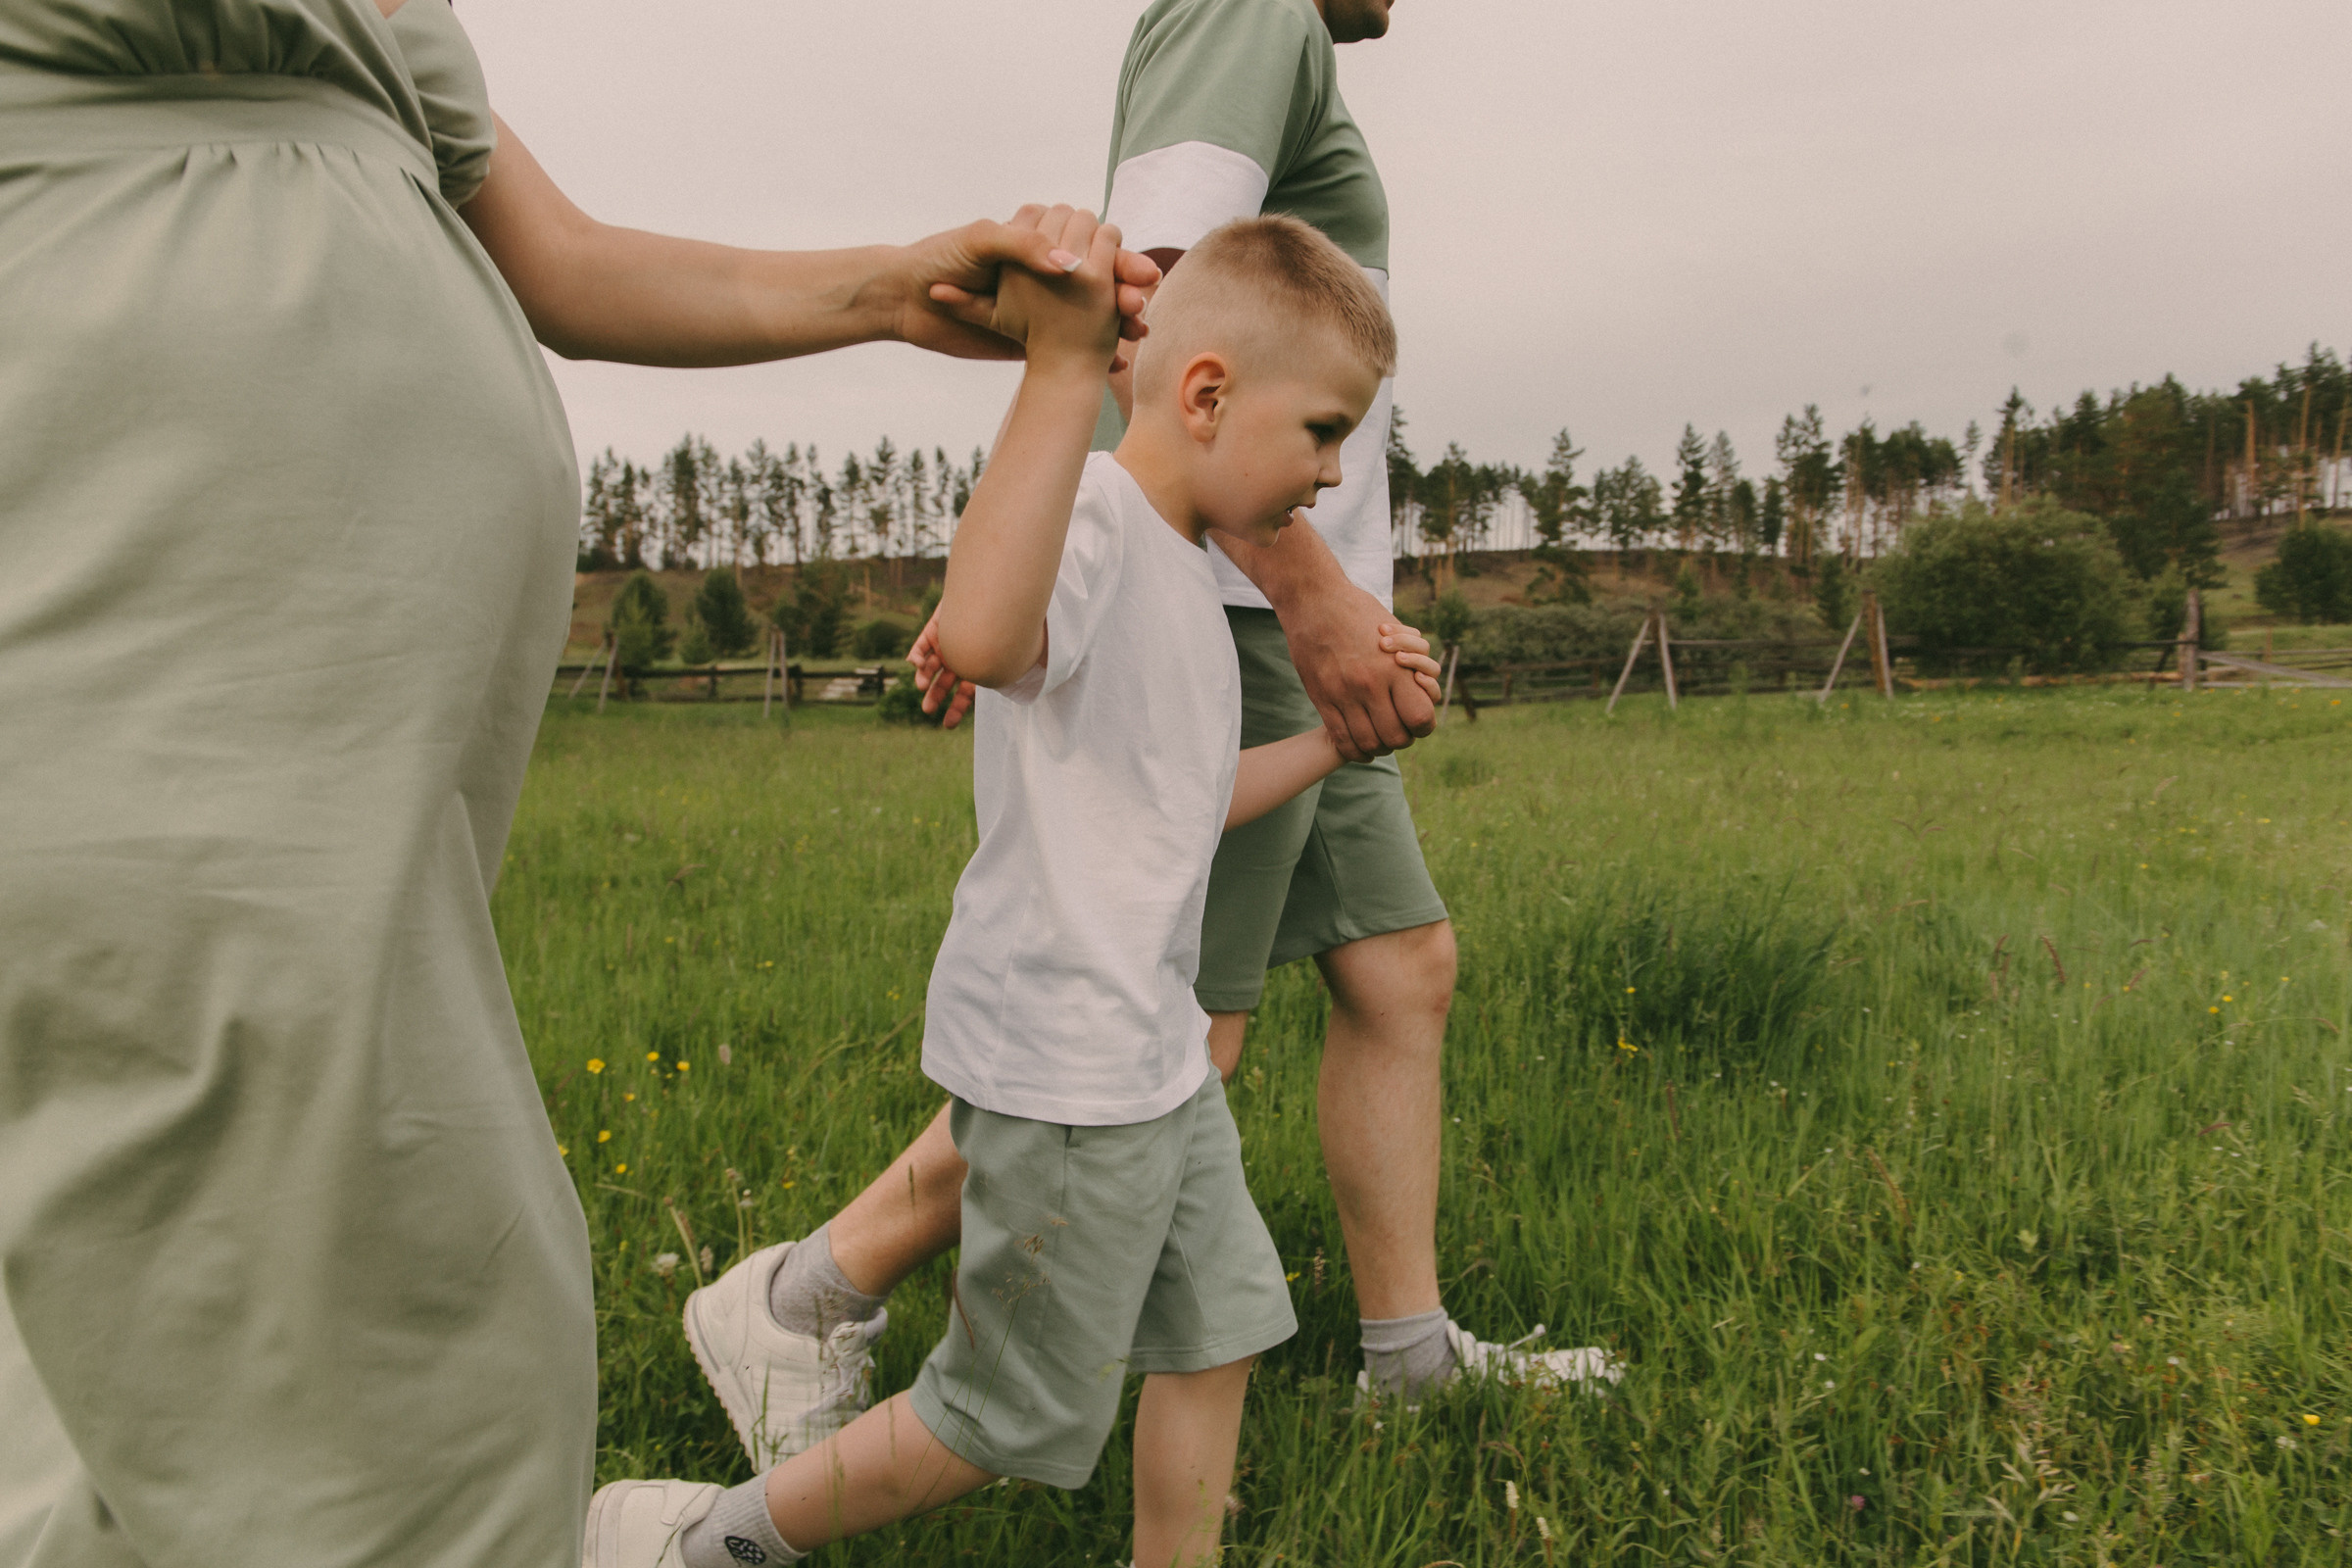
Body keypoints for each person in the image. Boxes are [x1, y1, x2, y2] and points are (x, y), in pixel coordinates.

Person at [0, 5, 1160, 1566]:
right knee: (249, 1147)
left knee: (306, 1155)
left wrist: (893, 287)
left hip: (368, 649)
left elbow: (557, 260)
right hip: (125, 510)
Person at [683, 0, 1615, 1480]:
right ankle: (806, 1298)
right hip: (1242, 612)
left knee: (1397, 966)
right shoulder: (1252, 8)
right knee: (1170, 1042)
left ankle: (1412, 1356)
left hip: (1289, 606)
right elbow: (1155, 302)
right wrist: (1307, 597)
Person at [588, 209, 1440, 1568]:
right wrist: (1060, 364)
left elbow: (1179, 807)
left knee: (1222, 1326)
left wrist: (1332, 742)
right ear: (1209, 394)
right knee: (1002, 1415)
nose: (1334, 477)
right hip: (1068, 1075)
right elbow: (985, 633)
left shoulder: (1187, 569)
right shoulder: (1099, 520)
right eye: (1325, 431)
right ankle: (697, 1547)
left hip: (1150, 1053)